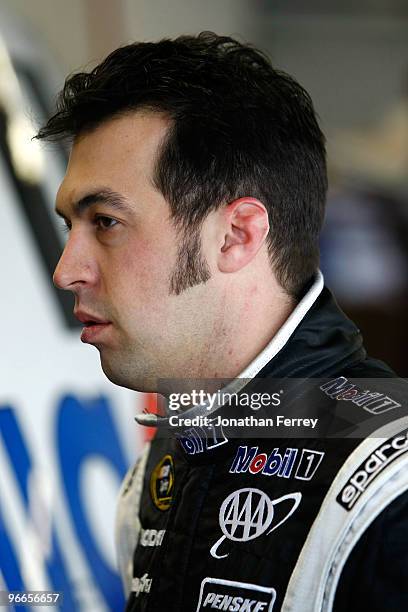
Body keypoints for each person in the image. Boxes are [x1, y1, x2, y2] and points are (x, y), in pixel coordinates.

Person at [37, 33, 408, 612]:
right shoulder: (161, 466)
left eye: (105, 221)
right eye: (70, 226)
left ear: (237, 236)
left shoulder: (390, 494)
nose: (67, 271)